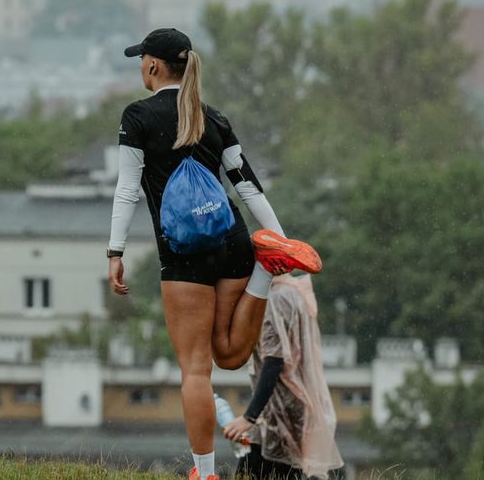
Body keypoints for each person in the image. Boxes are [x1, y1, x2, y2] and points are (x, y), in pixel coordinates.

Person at [106, 28, 321, 480]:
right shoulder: (214, 118)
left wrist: (115, 250)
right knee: (230, 356)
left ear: (152, 66)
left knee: (196, 371)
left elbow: (127, 190)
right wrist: (278, 239)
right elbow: (246, 184)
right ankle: (267, 266)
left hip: (183, 256)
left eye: (140, 60)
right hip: (234, 243)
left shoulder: (137, 117)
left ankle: (204, 474)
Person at [223, 274, 343, 479]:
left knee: (256, 471)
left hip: (277, 413)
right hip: (289, 409)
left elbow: (274, 361)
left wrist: (249, 417)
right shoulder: (293, 291)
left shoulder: (274, 298)